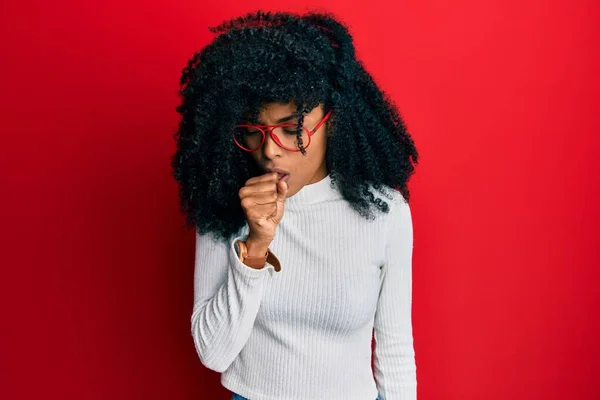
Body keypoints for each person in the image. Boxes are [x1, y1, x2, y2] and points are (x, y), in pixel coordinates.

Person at [171, 9, 419, 400]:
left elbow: (395, 350)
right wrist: (254, 248)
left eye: (291, 130)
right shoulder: (225, 204)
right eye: (253, 132)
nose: (270, 151)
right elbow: (214, 353)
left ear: (333, 122)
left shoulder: (384, 212)